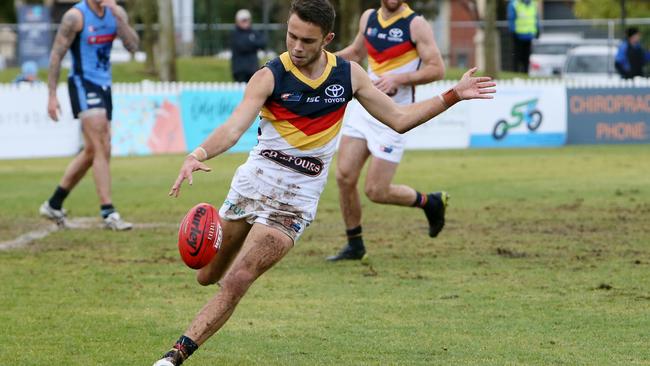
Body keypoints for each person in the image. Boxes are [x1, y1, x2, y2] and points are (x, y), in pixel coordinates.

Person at [152, 1, 494, 364]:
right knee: (207, 276)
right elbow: (234, 128)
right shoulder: (269, 76)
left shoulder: (349, 75)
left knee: (238, 279)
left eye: (307, 41)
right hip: (253, 183)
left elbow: (398, 119)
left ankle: (174, 356)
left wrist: (453, 95)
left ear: (327, 39)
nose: (296, 47)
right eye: (291, 36)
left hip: (296, 199)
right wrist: (198, 154)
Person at [326, 0, 446, 262]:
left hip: (396, 115)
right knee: (344, 176)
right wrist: (322, 59)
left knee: (376, 190)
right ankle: (354, 244)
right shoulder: (368, 17)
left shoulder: (416, 24)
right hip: (365, 108)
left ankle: (430, 202)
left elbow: (437, 68)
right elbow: (357, 53)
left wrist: (398, 79)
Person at [40, 0, 139, 230]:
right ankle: (108, 211)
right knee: (102, 143)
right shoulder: (75, 17)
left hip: (105, 86)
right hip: (83, 84)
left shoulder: (116, 13)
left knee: (93, 150)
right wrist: (52, 94)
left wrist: (118, 17)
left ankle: (54, 203)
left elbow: (133, 46)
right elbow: (56, 55)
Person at [230, 9, 267, 83]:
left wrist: (250, 43)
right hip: (239, 70)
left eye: (246, 20)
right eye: (243, 20)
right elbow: (242, 46)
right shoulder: (235, 34)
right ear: (237, 21)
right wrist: (253, 44)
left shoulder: (253, 32)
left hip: (253, 69)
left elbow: (263, 43)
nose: (245, 22)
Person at [507, 0, 539, 74]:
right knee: (517, 56)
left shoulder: (533, 4)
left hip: (529, 35)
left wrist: (538, 30)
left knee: (526, 57)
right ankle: (515, 73)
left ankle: (525, 73)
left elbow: (536, 18)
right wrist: (512, 31)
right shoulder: (514, 4)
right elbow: (511, 18)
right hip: (518, 35)